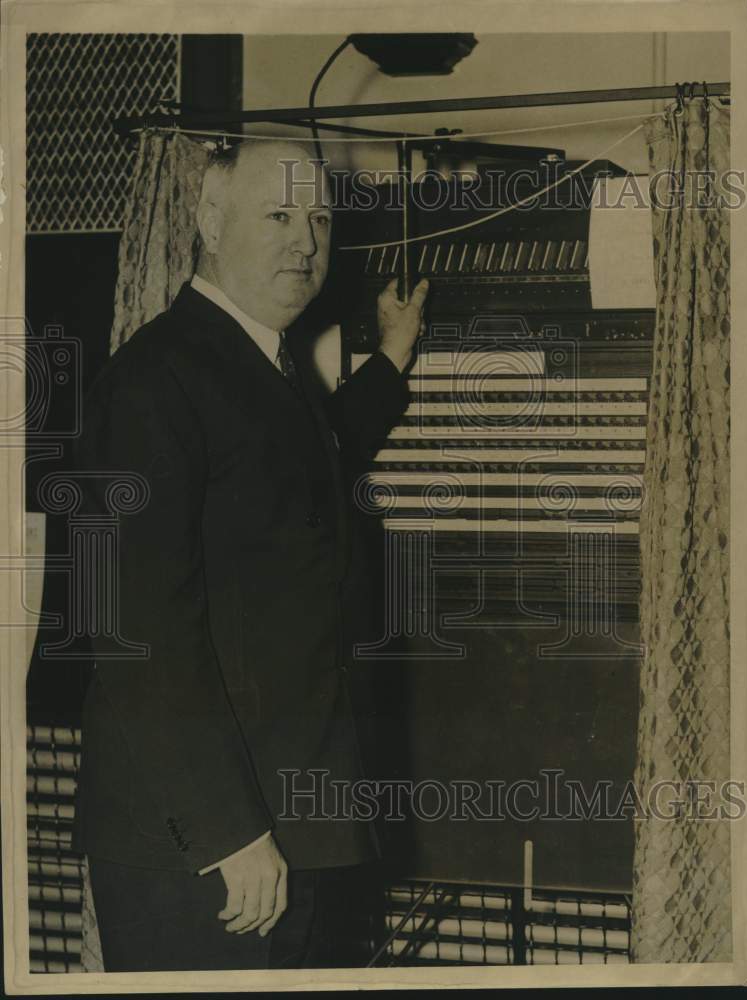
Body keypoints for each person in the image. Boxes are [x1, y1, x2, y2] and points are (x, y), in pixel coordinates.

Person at [71, 139, 429, 971]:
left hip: (292, 827)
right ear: (208, 219)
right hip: (207, 851)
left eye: (320, 220)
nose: (305, 243)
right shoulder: (155, 379)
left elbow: (308, 462)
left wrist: (393, 358)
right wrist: (230, 833)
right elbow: (135, 630)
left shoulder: (259, 366)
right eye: (278, 215)